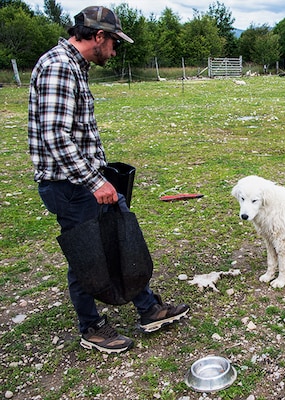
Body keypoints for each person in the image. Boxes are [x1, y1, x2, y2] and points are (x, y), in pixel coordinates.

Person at [28, 6, 189, 354]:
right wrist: (95, 182)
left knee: (118, 239)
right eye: (114, 41)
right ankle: (92, 327)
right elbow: (55, 136)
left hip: (83, 180)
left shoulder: (73, 66)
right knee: (86, 255)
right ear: (98, 36)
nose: (115, 50)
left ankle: (148, 309)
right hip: (70, 186)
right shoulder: (59, 66)